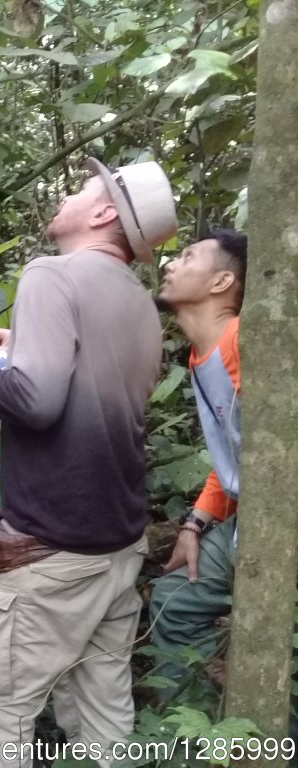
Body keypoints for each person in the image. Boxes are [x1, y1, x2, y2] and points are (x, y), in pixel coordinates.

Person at [0, 158, 177, 767]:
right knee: (103, 721)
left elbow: (37, 401)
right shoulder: (139, 300)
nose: (68, 194)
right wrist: (15, 347)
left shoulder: (51, 274)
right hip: (116, 544)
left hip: (53, 552)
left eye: (82, 189)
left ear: (103, 214)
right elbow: (85, 386)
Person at [148, 229, 246, 685]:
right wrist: (196, 522)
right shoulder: (200, 356)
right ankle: (206, 731)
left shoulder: (243, 342)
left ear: (221, 282)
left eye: (187, 257)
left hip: (276, 524)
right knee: (172, 600)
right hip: (245, 518)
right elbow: (238, 456)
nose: (170, 264)